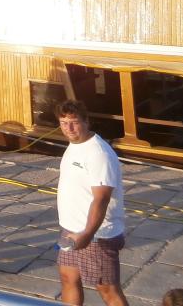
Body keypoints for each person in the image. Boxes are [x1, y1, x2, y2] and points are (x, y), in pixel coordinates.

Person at [56, 100, 128, 306]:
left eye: (74, 122)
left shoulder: (99, 153)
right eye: (63, 123)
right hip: (70, 229)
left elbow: (102, 198)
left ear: (87, 121)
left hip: (97, 235)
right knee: (68, 278)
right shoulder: (74, 146)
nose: (68, 128)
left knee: (107, 289)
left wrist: (87, 234)